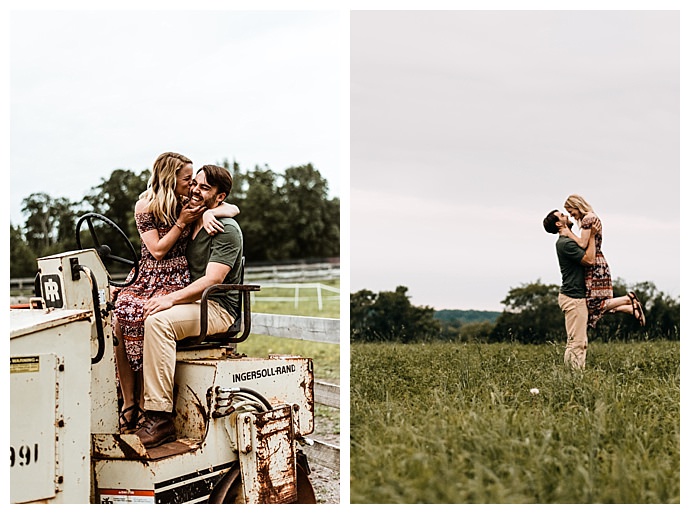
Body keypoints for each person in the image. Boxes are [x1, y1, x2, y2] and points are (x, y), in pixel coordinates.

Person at [113, 152, 239, 432]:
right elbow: (157, 247)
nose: (194, 189)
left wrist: (169, 298)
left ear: (219, 197)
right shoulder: (191, 215)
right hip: (188, 296)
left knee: (156, 320)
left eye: (203, 187)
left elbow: (212, 280)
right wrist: (203, 211)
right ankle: (128, 400)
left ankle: (158, 415)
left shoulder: (224, 229)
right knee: (117, 316)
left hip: (215, 306)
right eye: (193, 183)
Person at [560, 194, 645, 328]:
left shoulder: (587, 219)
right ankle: (629, 308)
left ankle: (628, 299)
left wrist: (566, 232)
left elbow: (582, 244)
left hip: (594, 265)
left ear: (577, 206)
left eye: (571, 212)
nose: (571, 215)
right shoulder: (592, 216)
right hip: (598, 262)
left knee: (593, 305)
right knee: (594, 305)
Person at [543, 209, 599, 370]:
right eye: (562, 215)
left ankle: (571, 375)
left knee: (575, 341)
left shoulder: (567, 240)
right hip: (574, 298)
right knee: (578, 343)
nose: (566, 215)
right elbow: (589, 260)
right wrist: (593, 236)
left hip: (573, 297)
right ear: (559, 224)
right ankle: (575, 379)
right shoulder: (565, 243)